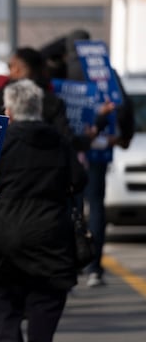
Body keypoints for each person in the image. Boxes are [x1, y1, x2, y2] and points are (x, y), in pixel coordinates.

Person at [0, 79, 87, 342]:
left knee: (5, 300)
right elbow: (79, 180)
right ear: (39, 108)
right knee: (47, 300)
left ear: (9, 111)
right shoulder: (59, 141)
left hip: (7, 236)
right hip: (51, 237)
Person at [62, 29, 135, 287]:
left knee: (69, 208)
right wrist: (125, 136)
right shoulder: (105, 72)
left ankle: (70, 266)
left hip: (70, 152)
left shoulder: (62, 72)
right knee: (96, 208)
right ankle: (94, 267)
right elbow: (123, 105)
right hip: (100, 149)